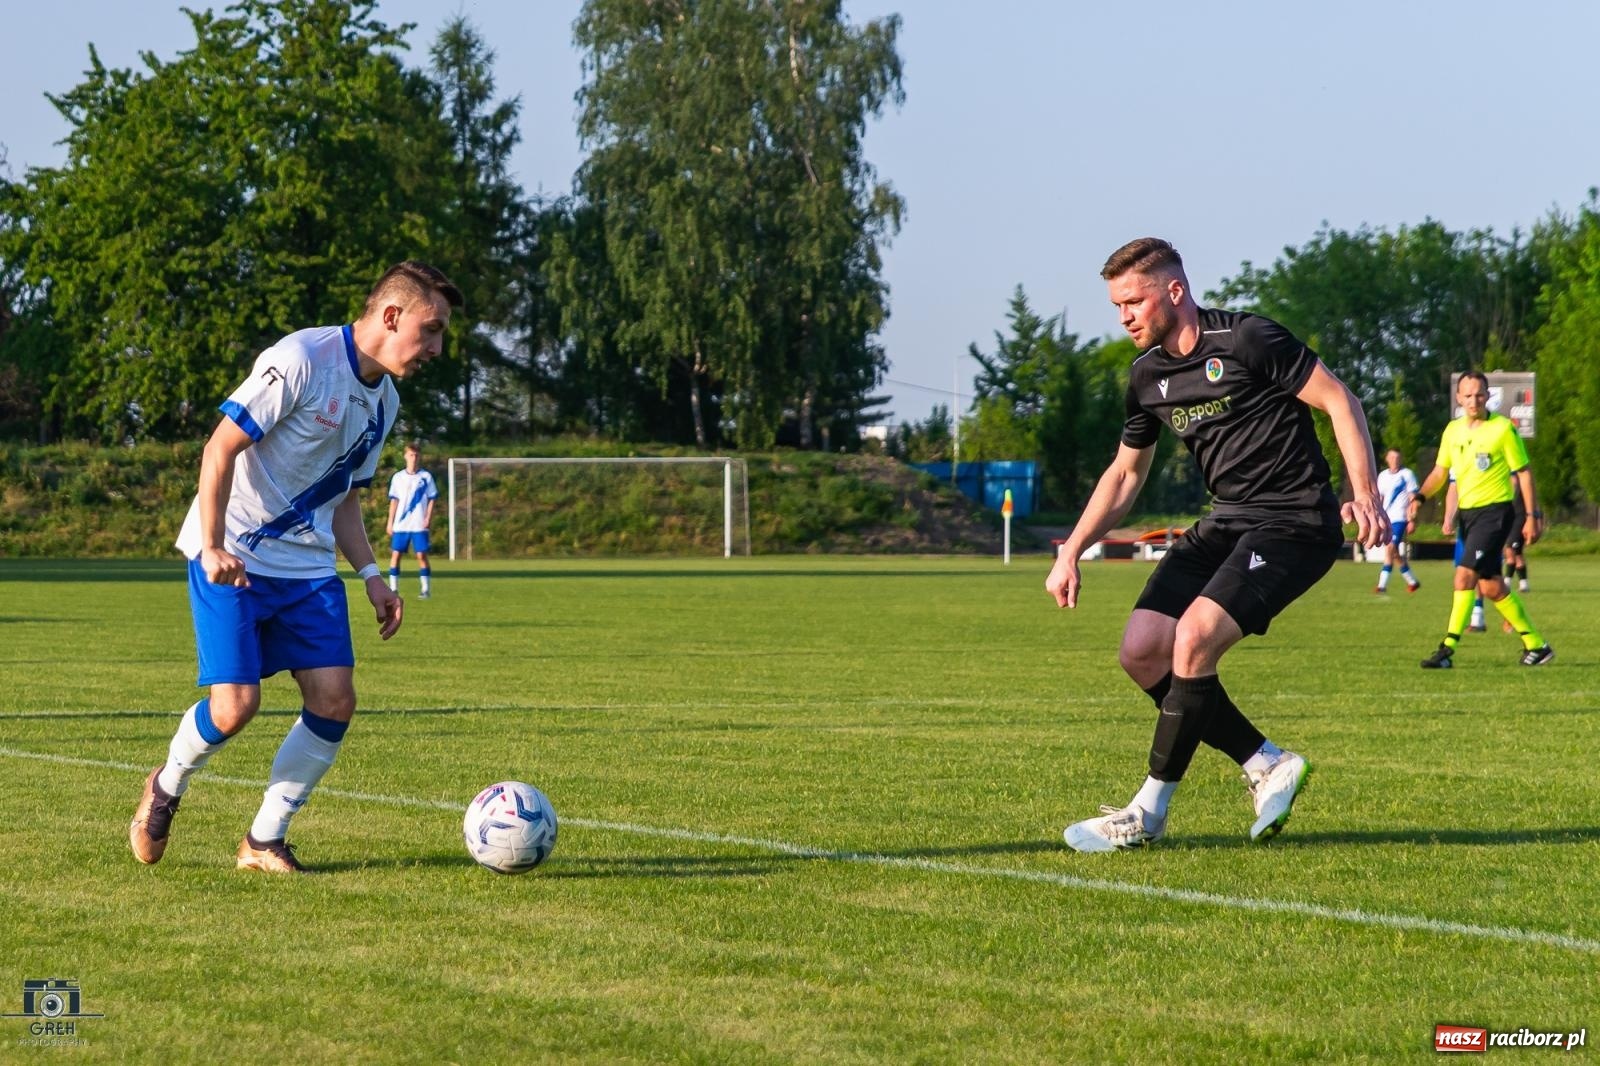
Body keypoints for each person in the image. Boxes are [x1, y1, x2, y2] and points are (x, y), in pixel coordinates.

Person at [1046, 238, 1387, 852]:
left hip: (1296, 522)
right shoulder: (1146, 377)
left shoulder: (1247, 339)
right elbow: (1125, 473)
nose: (1124, 316)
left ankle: (1146, 815)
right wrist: (1072, 549)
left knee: (1194, 635)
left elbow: (1341, 400)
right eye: (1116, 305)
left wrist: (1364, 492)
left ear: (1174, 291)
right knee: (1143, 650)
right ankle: (1265, 763)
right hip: (1227, 521)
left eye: (1134, 301)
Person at [130, 261, 464, 873]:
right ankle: (167, 784)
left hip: (307, 571)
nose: (437, 347)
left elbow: (345, 501)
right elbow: (220, 446)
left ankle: (263, 840)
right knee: (235, 708)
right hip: (234, 553)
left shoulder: (384, 402)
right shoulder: (303, 358)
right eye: (432, 328)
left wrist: (372, 578)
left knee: (335, 700)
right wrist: (211, 545)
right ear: (392, 316)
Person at [1409, 371, 1552, 668]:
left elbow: (1524, 473)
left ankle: (1447, 649)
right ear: (1459, 398)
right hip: (1469, 515)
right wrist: (1420, 496)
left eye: (1479, 394)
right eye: (1468, 395)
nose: (1474, 400)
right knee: (1490, 587)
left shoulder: (1502, 430)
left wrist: (1532, 515)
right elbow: (1439, 472)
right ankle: (1537, 645)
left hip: (1496, 513)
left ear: (1488, 396)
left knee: (1463, 576)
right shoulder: (1452, 431)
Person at [387, 441, 438, 599]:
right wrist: (390, 522)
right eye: (411, 455)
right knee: (396, 555)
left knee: (421, 555)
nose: (413, 458)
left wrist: (428, 517)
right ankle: (393, 590)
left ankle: (425, 589)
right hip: (401, 525)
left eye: (416, 455)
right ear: (405, 456)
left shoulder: (426, 477)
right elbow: (394, 501)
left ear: (419, 457)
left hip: (418, 524)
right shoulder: (398, 477)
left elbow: (432, 498)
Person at [1374, 448, 1421, 594]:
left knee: (1390, 549)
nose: (1395, 460)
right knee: (1393, 553)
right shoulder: (1382, 476)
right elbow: (1380, 498)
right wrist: (1377, 516)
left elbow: (1413, 499)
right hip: (1386, 519)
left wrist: (1412, 519)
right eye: (1392, 457)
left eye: (1397, 457)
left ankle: (1381, 586)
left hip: (1400, 518)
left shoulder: (1407, 475)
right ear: (1387, 459)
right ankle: (1412, 581)